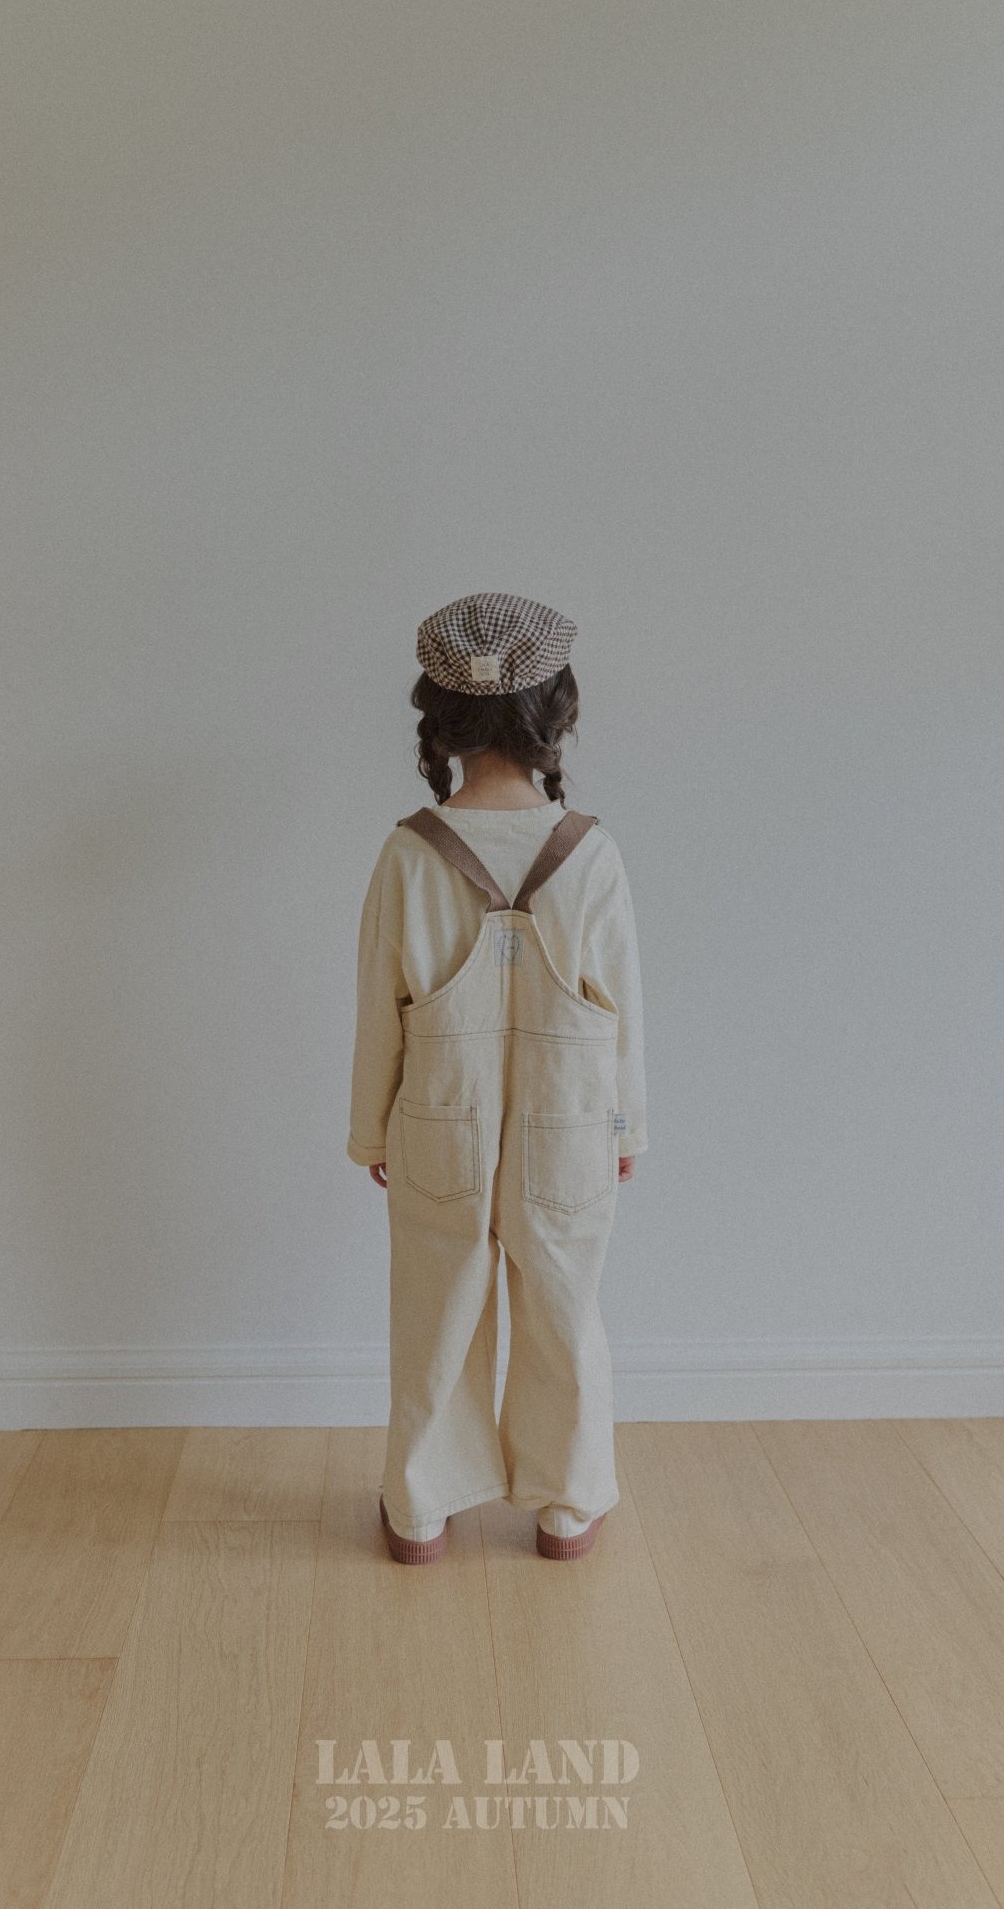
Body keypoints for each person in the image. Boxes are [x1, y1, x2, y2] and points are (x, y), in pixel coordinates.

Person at [347, 592, 648, 1563]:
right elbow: (621, 1011)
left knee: (434, 1310)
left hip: (440, 1120)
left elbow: (379, 1006)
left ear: (440, 716)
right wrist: (625, 1129)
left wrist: (371, 1131)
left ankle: (420, 1510)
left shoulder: (409, 852)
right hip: (569, 1124)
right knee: (565, 1308)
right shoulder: (591, 853)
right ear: (554, 710)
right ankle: (565, 1509)